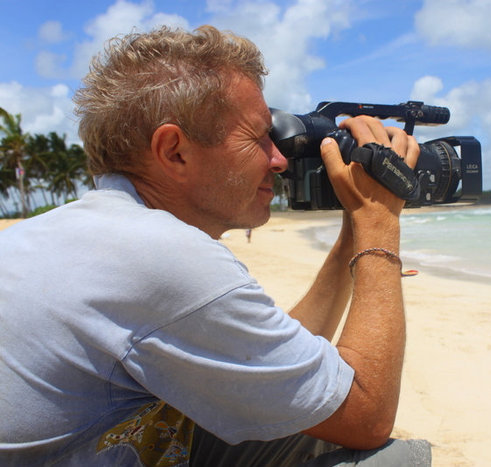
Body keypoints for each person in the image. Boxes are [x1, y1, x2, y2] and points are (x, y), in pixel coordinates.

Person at [0, 25, 431, 466]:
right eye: (258, 138)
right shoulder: (160, 256)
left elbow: (278, 369)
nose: (279, 160)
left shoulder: (92, 233)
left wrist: (353, 230)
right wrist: (380, 224)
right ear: (174, 151)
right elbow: (365, 414)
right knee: (391, 461)